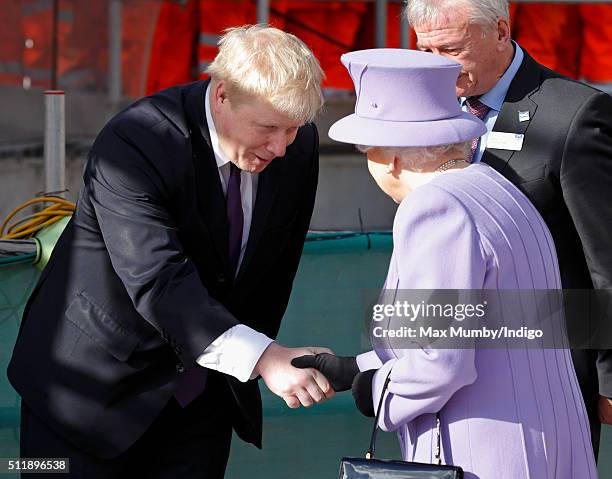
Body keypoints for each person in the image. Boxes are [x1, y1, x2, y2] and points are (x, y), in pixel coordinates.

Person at [8, 25, 334, 478]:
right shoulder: (135, 141)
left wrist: (265, 357)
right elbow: (157, 279)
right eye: (268, 128)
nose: (280, 147)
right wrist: (264, 358)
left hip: (201, 403)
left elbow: (271, 272)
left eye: (293, 129)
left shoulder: (298, 151)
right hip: (82, 399)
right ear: (221, 95)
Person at [293, 48, 597, 478]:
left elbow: (440, 363)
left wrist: (374, 390)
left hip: (485, 453)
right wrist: (355, 368)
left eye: (368, 149)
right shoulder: (497, 187)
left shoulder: (436, 206)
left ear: (391, 156)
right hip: (547, 446)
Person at [402, 0, 612, 456]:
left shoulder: (573, 115)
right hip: (450, 365)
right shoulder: (424, 107)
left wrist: (610, 375)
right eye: (425, 49)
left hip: (548, 368)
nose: (437, 66)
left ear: (500, 31)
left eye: (451, 49)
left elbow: (605, 260)